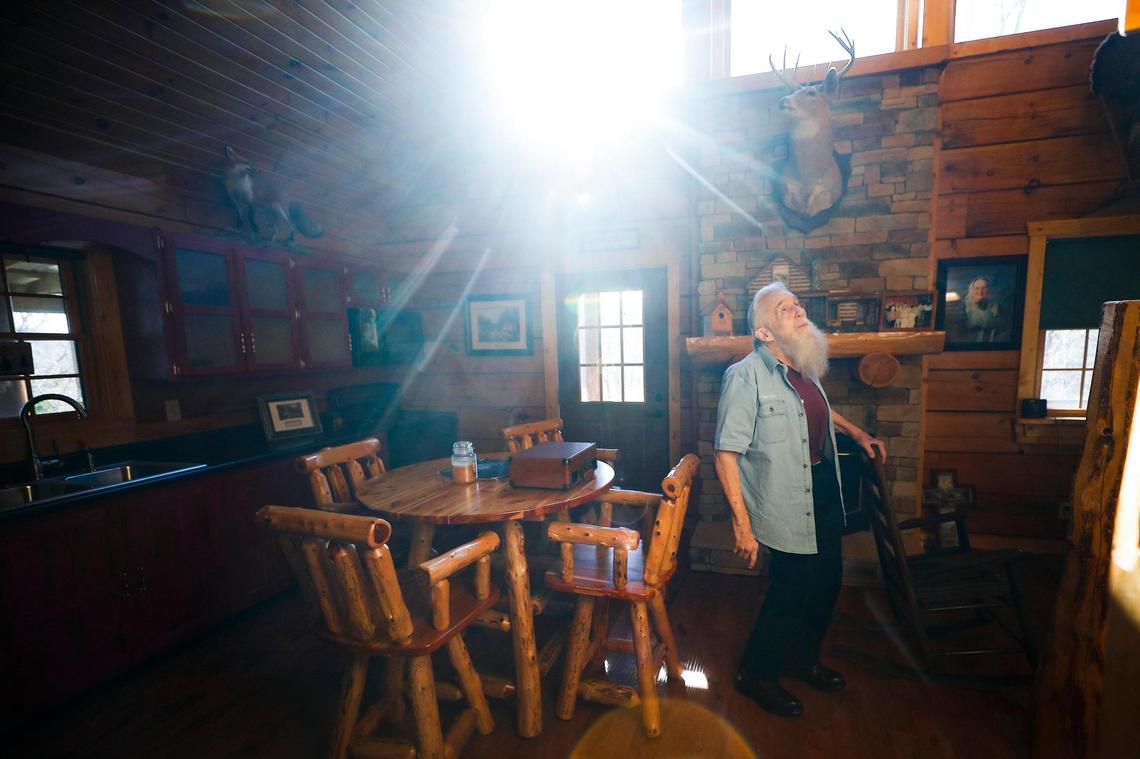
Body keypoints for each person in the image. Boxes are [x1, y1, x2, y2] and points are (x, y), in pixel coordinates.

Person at [714, 282, 886, 718]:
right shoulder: (745, 376)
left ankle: (801, 658)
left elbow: (820, 409)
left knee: (827, 582)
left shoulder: (802, 365)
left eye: (796, 304)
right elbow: (726, 453)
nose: (798, 311)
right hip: (784, 495)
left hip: (822, 484)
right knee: (792, 589)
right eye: (784, 309)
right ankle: (756, 673)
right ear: (764, 332)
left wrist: (857, 433)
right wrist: (741, 524)